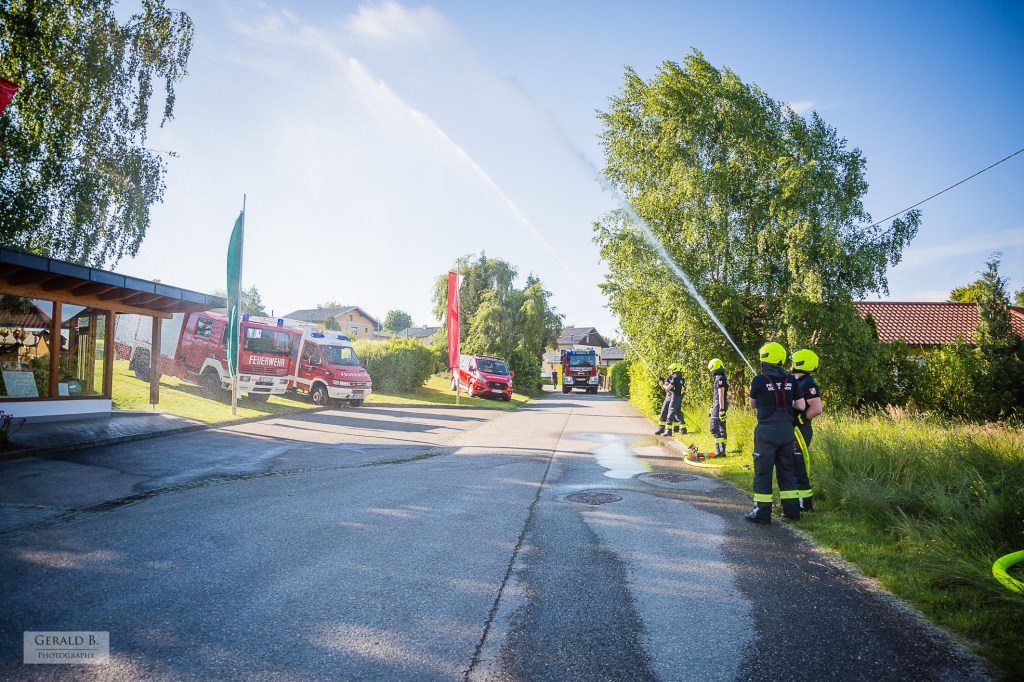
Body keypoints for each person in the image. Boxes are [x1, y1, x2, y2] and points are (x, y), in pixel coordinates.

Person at [745, 342, 805, 524]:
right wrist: (787, 401)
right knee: (786, 470)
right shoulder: (791, 380)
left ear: (764, 360)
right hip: (786, 431)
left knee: (763, 472)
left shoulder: (759, 380)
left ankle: (762, 513)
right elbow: (801, 405)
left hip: (766, 433)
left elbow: (752, 404)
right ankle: (792, 511)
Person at [790, 349, 823, 512]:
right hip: (793, 430)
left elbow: (816, 408)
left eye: (793, 361)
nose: (791, 364)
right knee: (792, 465)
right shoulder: (796, 381)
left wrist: (801, 420)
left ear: (800, 363)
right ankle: (794, 501)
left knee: (799, 466)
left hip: (800, 431)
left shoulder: (808, 383)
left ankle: (805, 504)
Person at [655, 363, 687, 435]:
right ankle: (682, 429)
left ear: (675, 370)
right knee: (674, 412)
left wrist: (662, 385)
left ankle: (669, 431)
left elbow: (668, 387)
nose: (669, 371)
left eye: (671, 370)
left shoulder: (675, 378)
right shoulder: (680, 378)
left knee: (671, 413)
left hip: (674, 397)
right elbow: (682, 389)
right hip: (675, 396)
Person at [707, 358, 728, 458]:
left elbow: (720, 395)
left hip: (719, 404)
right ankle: (723, 450)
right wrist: (712, 408)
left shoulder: (720, 379)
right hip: (718, 404)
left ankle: (720, 451)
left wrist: (721, 409)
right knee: (721, 427)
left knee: (714, 428)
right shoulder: (722, 377)